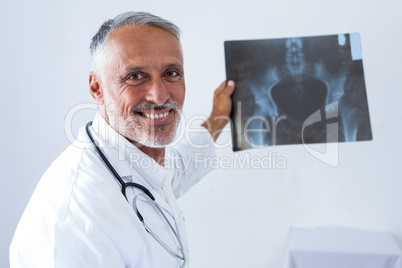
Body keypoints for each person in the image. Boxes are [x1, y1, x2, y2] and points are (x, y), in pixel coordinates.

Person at [10, 11, 235, 267]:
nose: (159, 96)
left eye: (171, 73)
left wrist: (219, 117)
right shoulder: (75, 221)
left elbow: (177, 170)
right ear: (97, 88)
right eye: (135, 76)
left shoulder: (138, 158)